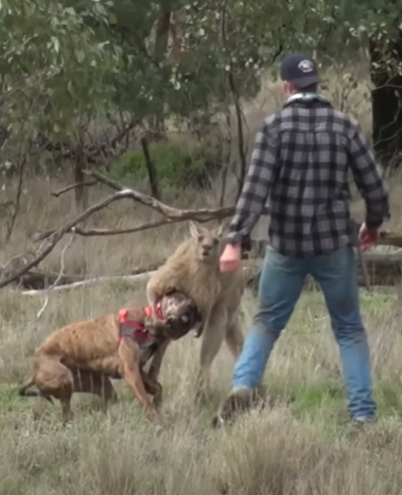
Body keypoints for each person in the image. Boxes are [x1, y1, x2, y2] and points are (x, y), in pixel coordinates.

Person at [216, 53, 390, 426]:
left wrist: (235, 240)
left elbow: (254, 190)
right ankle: (362, 414)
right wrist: (372, 224)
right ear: (317, 85)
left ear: (287, 87)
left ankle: (243, 386)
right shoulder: (345, 126)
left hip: (286, 247)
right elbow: (375, 188)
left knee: (266, 323)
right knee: (348, 328)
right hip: (334, 247)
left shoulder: (274, 128)